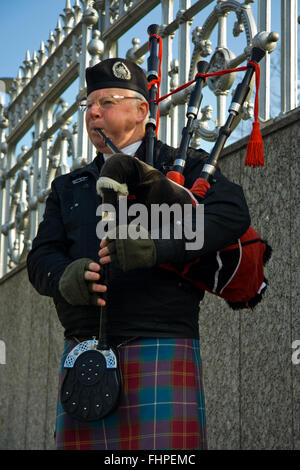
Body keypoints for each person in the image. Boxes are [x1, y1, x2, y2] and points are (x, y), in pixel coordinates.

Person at [27, 58, 250, 450]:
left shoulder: (183, 168)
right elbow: (41, 257)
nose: (94, 112)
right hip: (84, 351)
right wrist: (67, 277)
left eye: (107, 102)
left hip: (160, 342)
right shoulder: (70, 185)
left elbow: (231, 215)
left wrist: (155, 250)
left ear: (142, 110)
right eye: (88, 104)